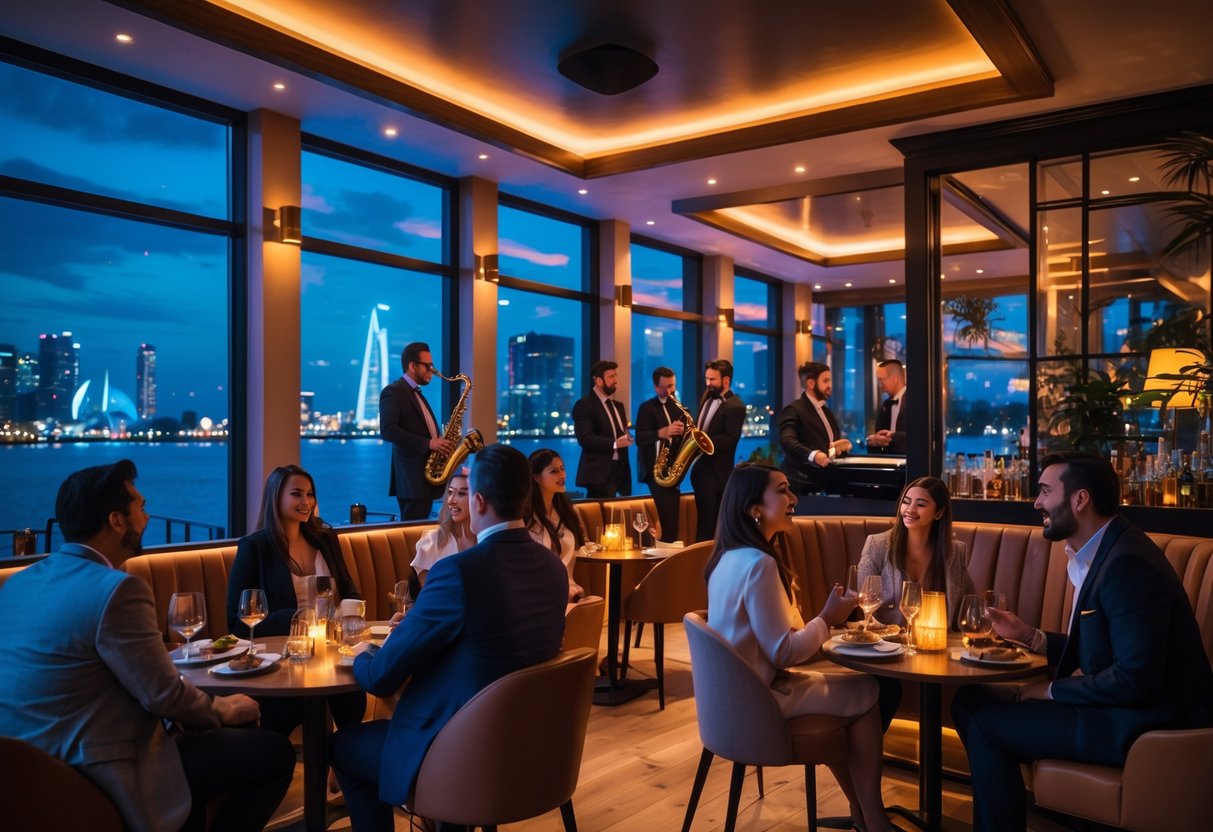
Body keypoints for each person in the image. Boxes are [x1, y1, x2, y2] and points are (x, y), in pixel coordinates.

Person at [0, 460, 294, 832]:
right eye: (140, 507)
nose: (148, 515)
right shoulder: (117, 589)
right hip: (95, 767)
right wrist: (221, 710)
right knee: (272, 752)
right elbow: (162, 695)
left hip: (23, 769)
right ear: (117, 520)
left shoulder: (20, 583)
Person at [951, 452, 1213, 832]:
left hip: (1148, 723)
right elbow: (1102, 650)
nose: (1037, 502)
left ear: (1080, 499)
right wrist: (1028, 636)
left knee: (988, 726)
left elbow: (1135, 679)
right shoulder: (1101, 551)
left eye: (1044, 492)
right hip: (1125, 708)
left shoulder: (1126, 564)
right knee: (970, 702)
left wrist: (1053, 691)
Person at [330, 444, 569, 832]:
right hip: (527, 745)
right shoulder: (552, 567)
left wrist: (361, 652)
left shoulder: (459, 571)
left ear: (477, 500)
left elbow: (380, 678)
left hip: (458, 753)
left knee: (344, 748)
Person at [704, 464, 897, 832]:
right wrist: (827, 617)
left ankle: (863, 813)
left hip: (728, 703)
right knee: (868, 690)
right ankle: (873, 817)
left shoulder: (726, 558)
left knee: (852, 697)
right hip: (761, 700)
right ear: (754, 508)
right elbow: (784, 652)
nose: (794, 499)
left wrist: (820, 621)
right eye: (782, 491)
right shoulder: (759, 563)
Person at [226, 464, 367, 737]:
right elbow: (236, 621)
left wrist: (350, 618)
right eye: (297, 494)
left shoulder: (325, 538)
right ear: (275, 497)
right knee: (281, 715)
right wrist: (299, 616)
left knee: (353, 696)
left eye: (310, 494)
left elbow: (350, 591)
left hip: (332, 653)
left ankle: (342, 767)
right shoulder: (255, 548)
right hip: (283, 660)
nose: (306, 502)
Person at [858, 475, 973, 729]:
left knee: (974, 697)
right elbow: (865, 602)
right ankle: (865, 761)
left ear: (939, 512)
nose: (910, 510)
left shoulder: (955, 552)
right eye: (906, 502)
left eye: (921, 504)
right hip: (885, 652)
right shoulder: (877, 545)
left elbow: (967, 605)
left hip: (938, 654)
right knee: (884, 689)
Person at [381, 341, 452, 520]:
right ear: (412, 366)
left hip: (423, 479)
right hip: (412, 480)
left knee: (418, 532)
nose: (433, 370)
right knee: (412, 535)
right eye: (427, 366)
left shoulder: (416, 393)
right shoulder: (394, 391)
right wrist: (430, 443)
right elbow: (388, 430)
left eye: (432, 365)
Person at [690, 359, 744, 542]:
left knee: (711, 530)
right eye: (706, 378)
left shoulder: (736, 405)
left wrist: (701, 441)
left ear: (726, 380)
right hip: (701, 472)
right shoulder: (707, 396)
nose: (708, 383)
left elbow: (730, 440)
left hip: (717, 476)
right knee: (703, 527)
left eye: (712, 379)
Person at [778, 361, 852, 494]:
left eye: (830, 380)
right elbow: (787, 441)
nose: (830, 385)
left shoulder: (827, 411)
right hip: (803, 487)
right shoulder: (793, 410)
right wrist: (813, 455)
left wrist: (840, 447)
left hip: (827, 485)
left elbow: (828, 447)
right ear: (811, 384)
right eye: (825, 381)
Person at [527, 448, 587, 603]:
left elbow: (579, 547)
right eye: (554, 471)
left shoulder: (566, 512)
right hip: (537, 590)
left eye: (562, 469)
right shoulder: (526, 517)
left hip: (569, 588)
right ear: (536, 477)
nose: (563, 476)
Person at [634, 366, 687, 543]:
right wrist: (661, 432)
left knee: (672, 523)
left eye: (672, 386)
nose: (669, 391)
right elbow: (640, 437)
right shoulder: (646, 408)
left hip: (674, 469)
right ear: (656, 387)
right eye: (665, 387)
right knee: (667, 521)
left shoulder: (679, 409)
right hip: (655, 471)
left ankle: (669, 554)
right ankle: (664, 555)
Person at [572, 359, 633, 498]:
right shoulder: (584, 405)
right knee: (600, 517)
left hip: (621, 472)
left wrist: (626, 439)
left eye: (616, 376)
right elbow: (585, 438)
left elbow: (620, 435)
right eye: (611, 376)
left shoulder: (618, 406)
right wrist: (615, 443)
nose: (616, 380)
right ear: (598, 380)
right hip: (599, 475)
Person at [411, 465, 474, 587]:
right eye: (450, 492)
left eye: (461, 493)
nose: (451, 500)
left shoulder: (488, 540)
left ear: (478, 498)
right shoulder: (431, 542)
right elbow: (430, 598)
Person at [865, 359, 907, 453]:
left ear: (895, 379)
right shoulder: (885, 405)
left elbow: (920, 437)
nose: (880, 385)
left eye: (881, 379)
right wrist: (875, 441)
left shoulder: (916, 403)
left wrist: (892, 437)